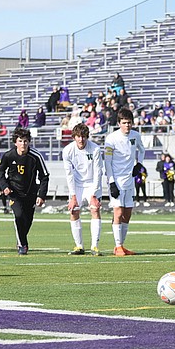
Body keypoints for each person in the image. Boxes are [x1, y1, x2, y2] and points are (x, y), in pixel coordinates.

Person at [0, 127, 49, 255]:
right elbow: (0, 172)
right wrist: (5, 186)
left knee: (27, 220)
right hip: (14, 193)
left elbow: (44, 176)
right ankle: (23, 245)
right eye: (20, 141)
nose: (23, 144)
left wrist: (41, 195)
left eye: (26, 141)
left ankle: (21, 239)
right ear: (15, 142)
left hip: (31, 193)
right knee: (19, 216)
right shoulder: (9, 156)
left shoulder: (35, 156)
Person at [103, 108, 145, 256]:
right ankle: (118, 245)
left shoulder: (135, 135)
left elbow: (142, 149)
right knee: (118, 212)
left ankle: (121, 246)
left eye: (129, 123)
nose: (127, 126)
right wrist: (112, 182)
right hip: (116, 180)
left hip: (129, 180)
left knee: (127, 214)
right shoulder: (111, 139)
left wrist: (139, 164)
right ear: (118, 123)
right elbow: (107, 162)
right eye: (124, 123)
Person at [63, 123, 104, 255]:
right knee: (74, 211)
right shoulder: (68, 151)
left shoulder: (95, 149)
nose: (81, 140)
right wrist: (73, 195)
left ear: (87, 137)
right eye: (78, 137)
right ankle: (79, 246)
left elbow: (98, 172)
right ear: (74, 137)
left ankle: (94, 246)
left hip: (92, 183)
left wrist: (94, 193)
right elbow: (69, 174)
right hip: (76, 184)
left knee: (95, 209)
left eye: (84, 137)